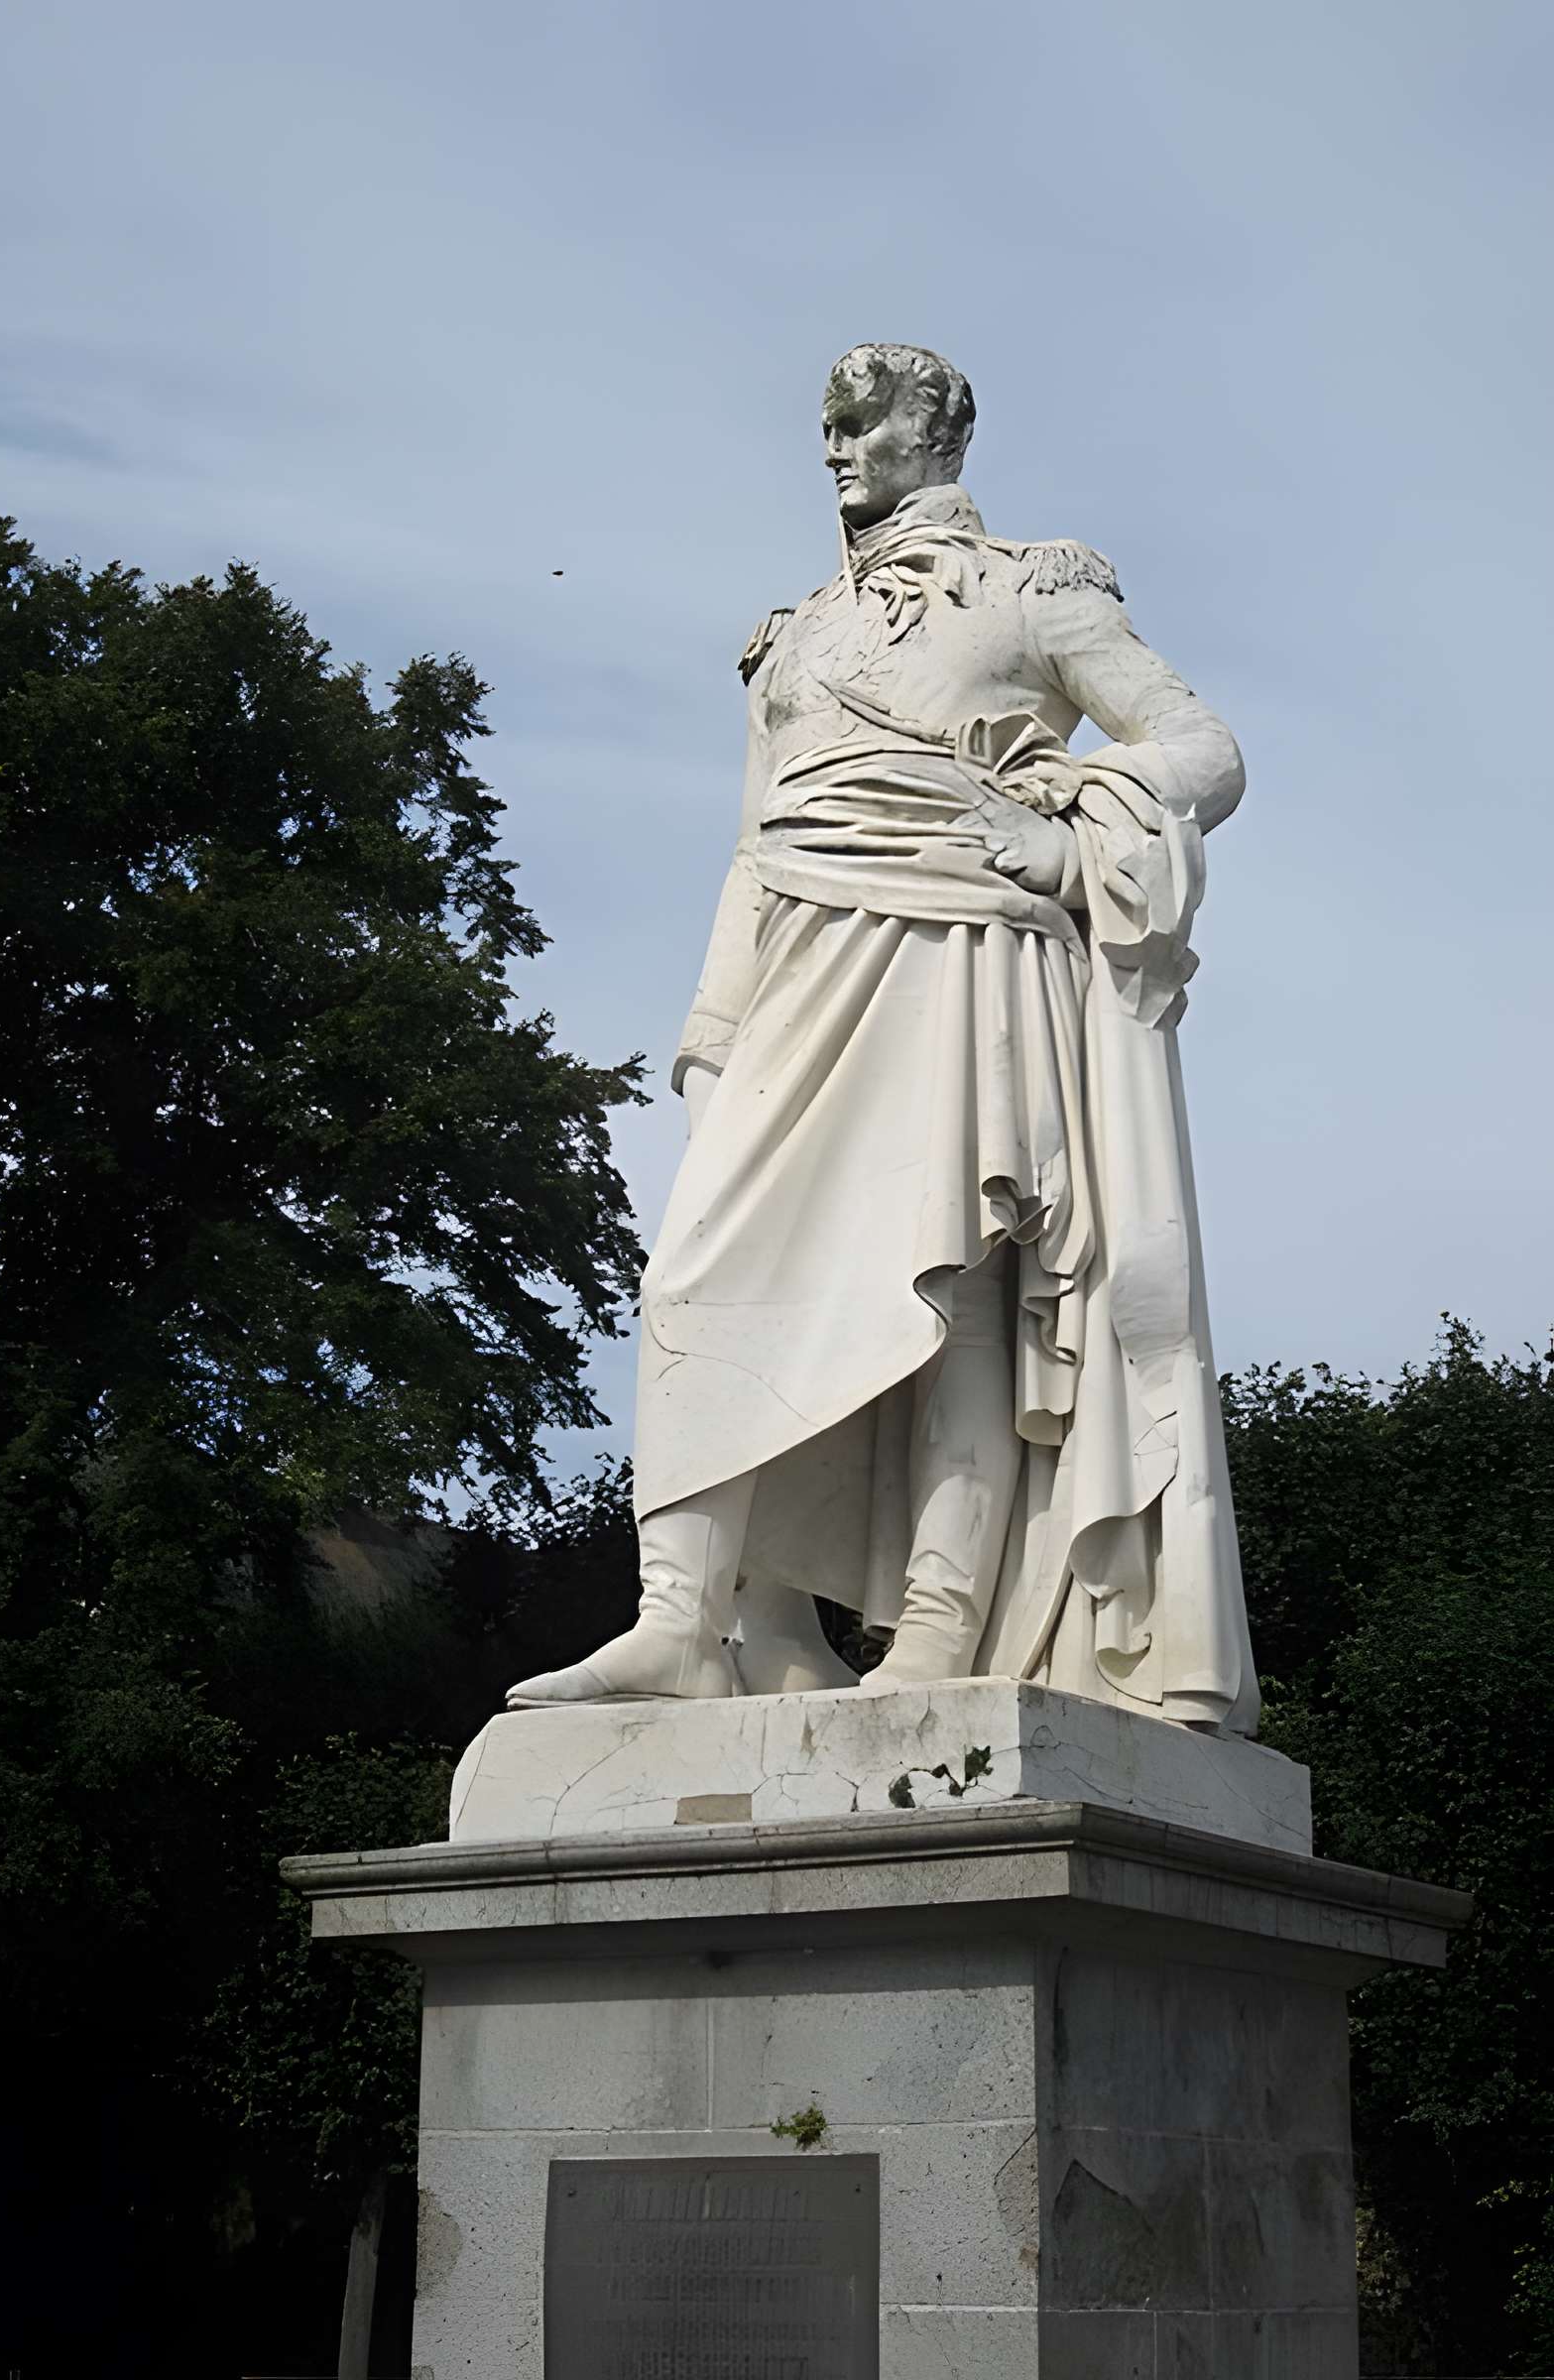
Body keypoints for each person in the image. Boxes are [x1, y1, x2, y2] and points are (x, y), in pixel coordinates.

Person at [509, 342, 1258, 1733]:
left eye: (859, 426)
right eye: (826, 429)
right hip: (801, 962)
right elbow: (756, 842)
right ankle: (696, 1618)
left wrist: (1065, 826)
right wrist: (710, 1038)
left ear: (936, 430)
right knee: (696, 1278)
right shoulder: (790, 633)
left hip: (970, 951)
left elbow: (1202, 750)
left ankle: (934, 1626)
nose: (837, 451)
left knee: (958, 1293)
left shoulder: (1041, 587)